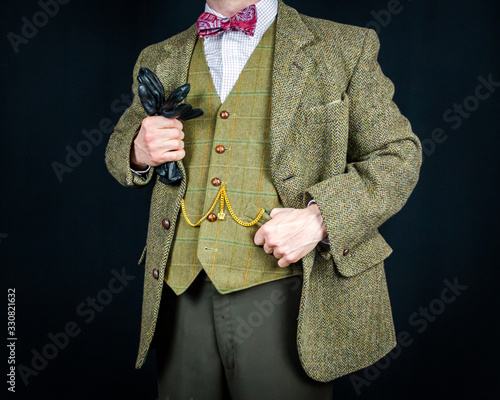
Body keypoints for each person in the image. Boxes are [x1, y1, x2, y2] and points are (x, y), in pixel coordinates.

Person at [105, 0, 422, 398]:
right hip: (179, 291)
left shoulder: (344, 47)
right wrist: (137, 151)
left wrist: (319, 219)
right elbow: (119, 152)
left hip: (288, 292)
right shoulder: (159, 56)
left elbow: (398, 154)